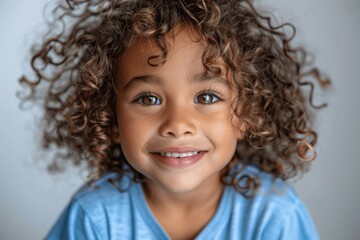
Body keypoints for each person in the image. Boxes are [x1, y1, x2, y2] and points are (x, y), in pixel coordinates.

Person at [19, 0, 330, 239]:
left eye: (207, 97)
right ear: (109, 118)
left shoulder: (273, 214)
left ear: (247, 113)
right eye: (148, 99)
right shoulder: (96, 216)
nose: (177, 124)